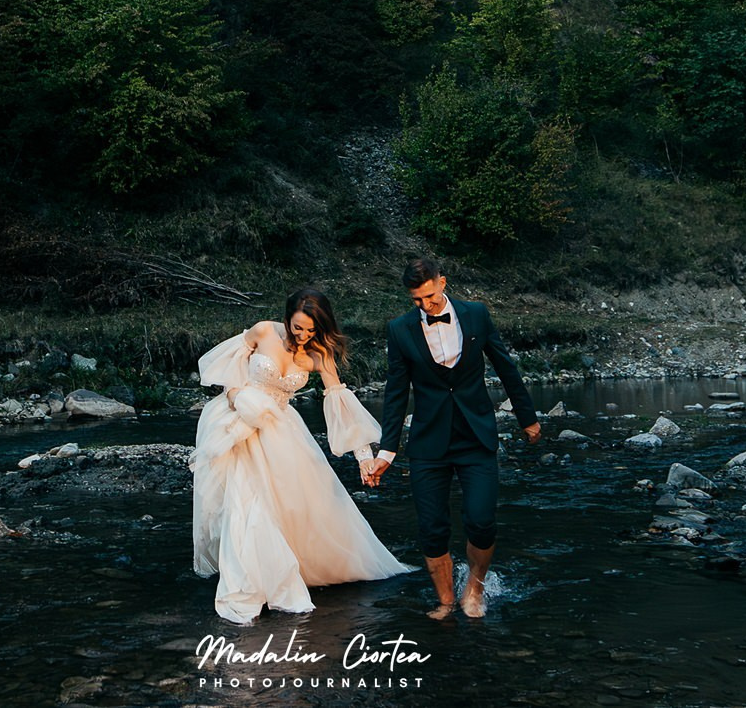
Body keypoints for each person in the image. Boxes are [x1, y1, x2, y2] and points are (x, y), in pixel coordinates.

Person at [190, 287, 413, 623]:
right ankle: (252, 577)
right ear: (287, 317)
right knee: (244, 499)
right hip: (238, 418)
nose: (304, 335)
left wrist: (363, 456)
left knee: (290, 502)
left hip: (280, 426)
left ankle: (273, 570)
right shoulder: (263, 330)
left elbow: (339, 402)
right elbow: (229, 365)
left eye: (312, 329)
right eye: (298, 328)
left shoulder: (320, 354)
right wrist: (236, 396)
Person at [364, 257, 540, 618]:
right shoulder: (399, 329)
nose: (425, 306)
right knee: (432, 527)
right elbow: (397, 392)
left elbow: (506, 366)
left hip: (476, 436)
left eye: (429, 296)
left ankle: (474, 589)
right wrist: (387, 451)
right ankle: (445, 600)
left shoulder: (476, 314)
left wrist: (527, 416)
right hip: (429, 442)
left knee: (481, 520)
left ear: (442, 282)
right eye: (417, 300)